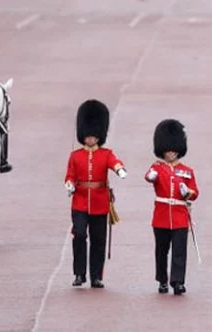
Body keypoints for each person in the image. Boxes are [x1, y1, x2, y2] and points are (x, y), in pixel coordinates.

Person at [65, 100, 127, 288]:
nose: (90, 139)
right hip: (80, 202)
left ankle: (96, 276)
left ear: (99, 136)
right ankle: (79, 273)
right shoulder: (75, 156)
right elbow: (70, 175)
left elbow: (115, 162)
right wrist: (69, 184)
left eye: (94, 136)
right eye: (88, 136)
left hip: (100, 201)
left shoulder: (106, 154)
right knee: (80, 235)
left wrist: (120, 170)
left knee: (98, 240)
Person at [145, 119, 198, 295]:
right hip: (161, 215)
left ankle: (178, 282)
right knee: (161, 251)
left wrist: (187, 192)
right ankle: (162, 280)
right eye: (168, 150)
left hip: (180, 215)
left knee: (179, 251)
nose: (171, 153)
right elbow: (149, 177)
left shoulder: (187, 170)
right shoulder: (157, 167)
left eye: (174, 149)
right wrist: (151, 176)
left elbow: (195, 193)